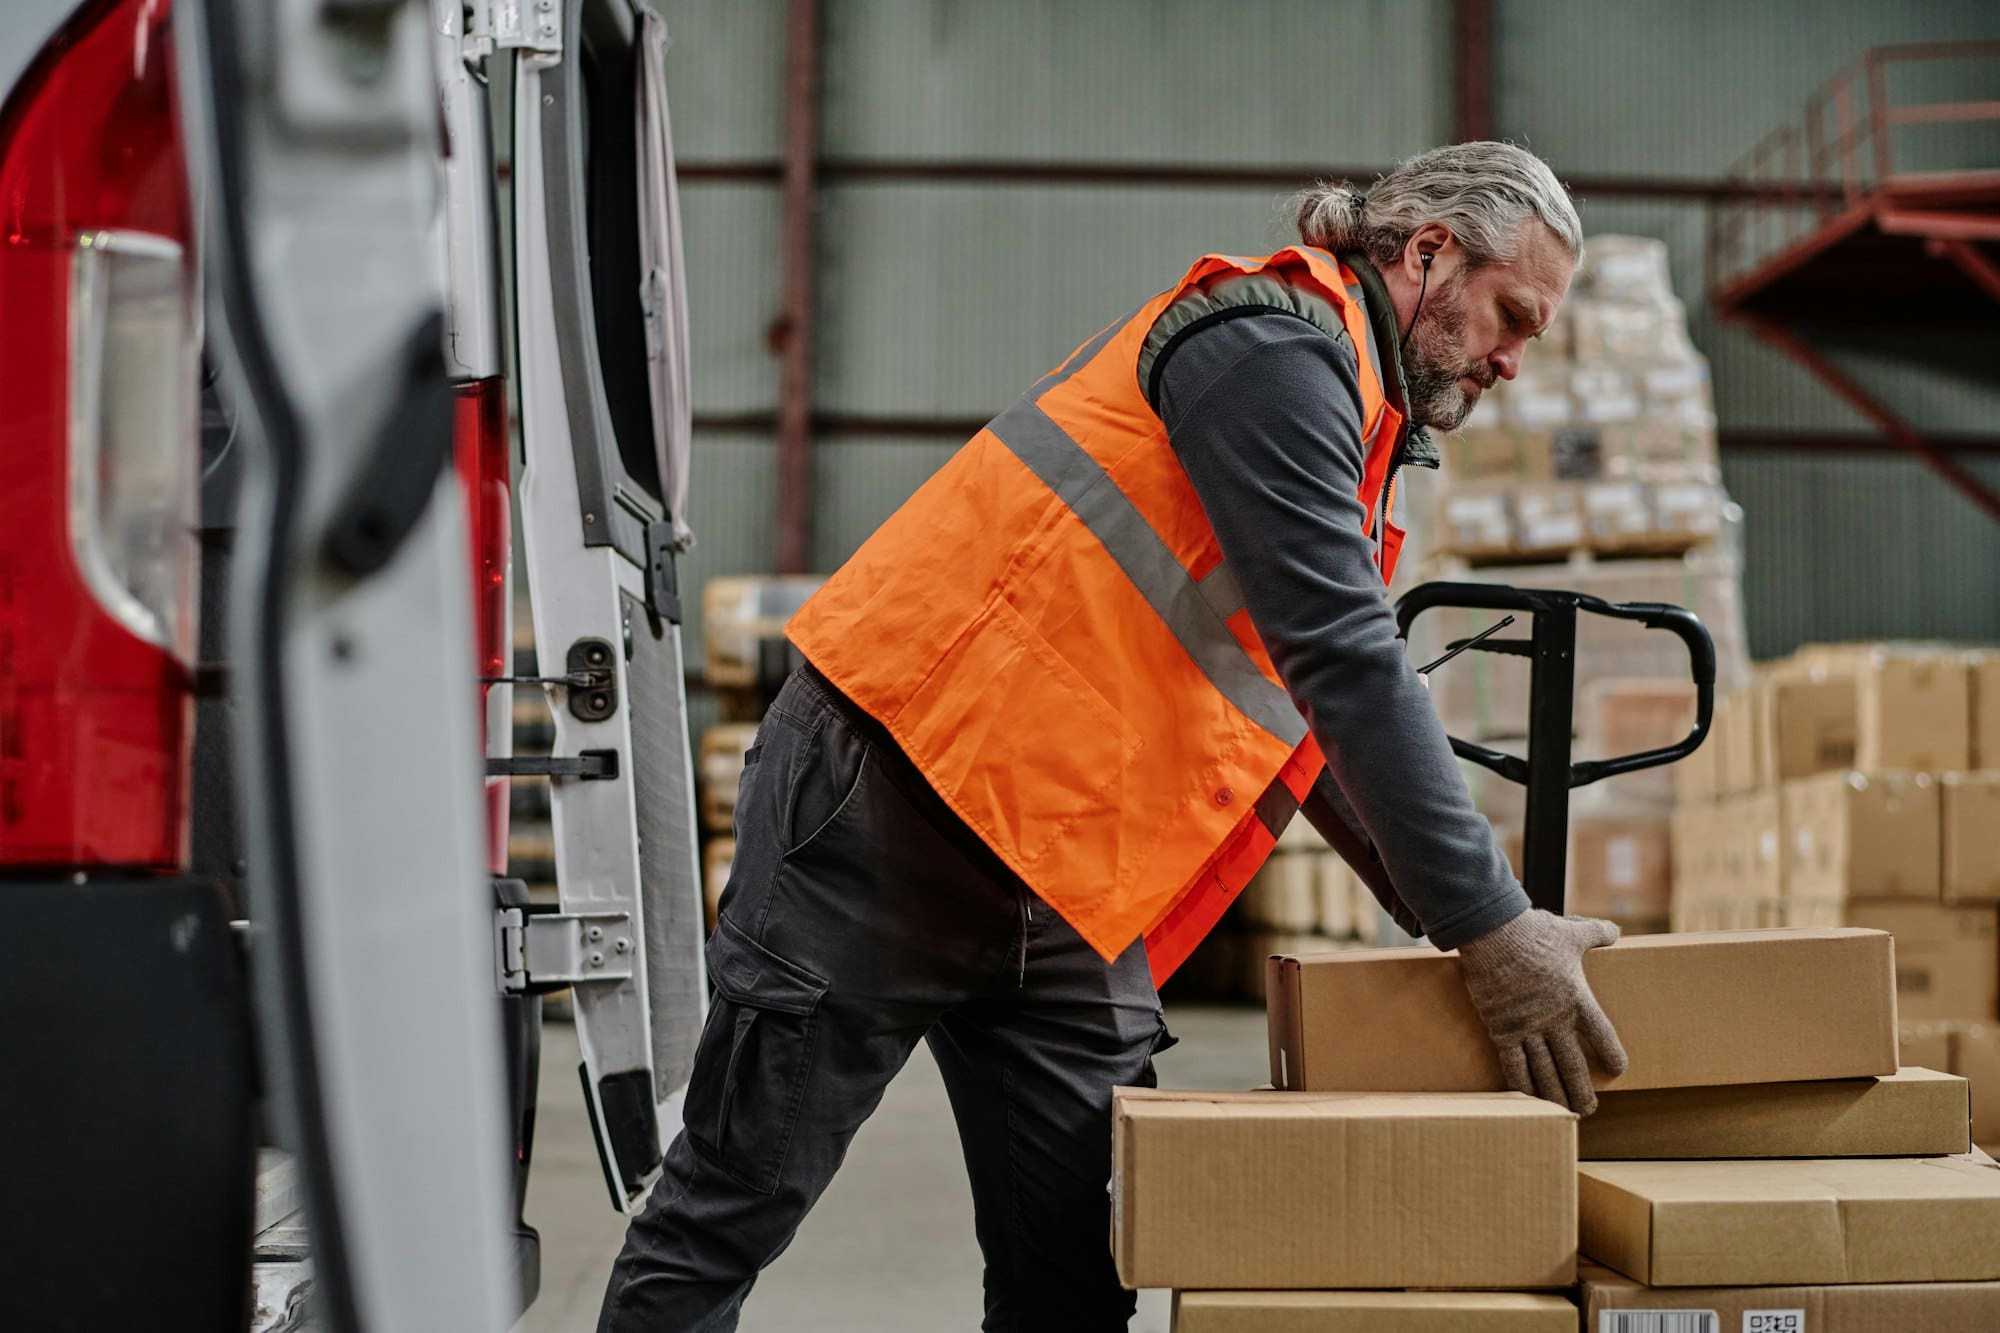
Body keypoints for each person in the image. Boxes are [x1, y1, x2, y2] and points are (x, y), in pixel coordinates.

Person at [597, 140, 1627, 1333]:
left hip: (1067, 867)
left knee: (1079, 1272)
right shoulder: (1269, 350)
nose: (1508, 361)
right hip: (892, 803)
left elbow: (1296, 702)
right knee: (729, 1209)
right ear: (1428, 252)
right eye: (1511, 319)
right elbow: (1341, 653)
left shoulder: (1352, 403)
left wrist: (1442, 910)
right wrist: (1487, 927)